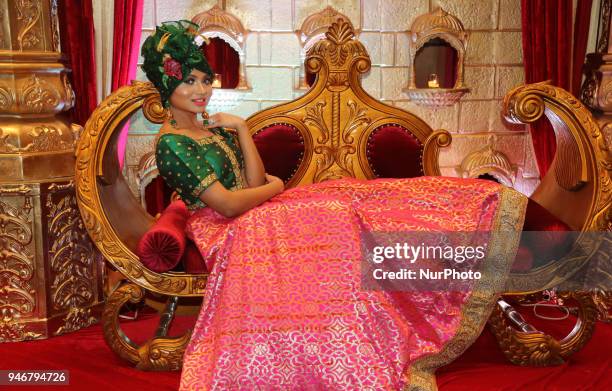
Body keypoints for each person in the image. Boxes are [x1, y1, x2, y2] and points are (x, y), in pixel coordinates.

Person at [142, 20, 527, 391]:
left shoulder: (209, 129)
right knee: (335, 214)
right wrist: (275, 188)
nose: (201, 90)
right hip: (225, 226)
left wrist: (242, 129)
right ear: (167, 84)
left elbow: (254, 183)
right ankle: (351, 339)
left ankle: (477, 208)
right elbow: (226, 205)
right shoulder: (172, 143)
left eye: (205, 79)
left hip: (254, 209)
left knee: (349, 194)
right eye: (189, 81)